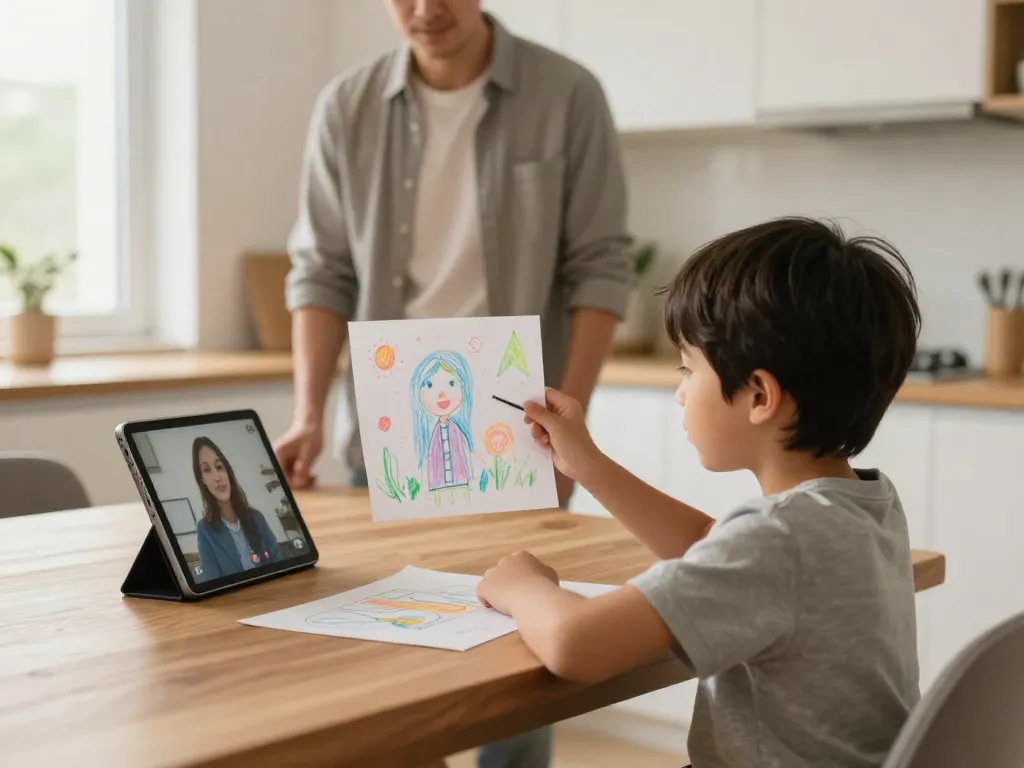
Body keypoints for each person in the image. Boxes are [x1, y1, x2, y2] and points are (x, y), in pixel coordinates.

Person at [476, 217, 924, 768]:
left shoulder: (777, 541)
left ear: (759, 395)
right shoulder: (863, 505)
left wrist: (524, 586)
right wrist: (587, 464)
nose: (680, 395)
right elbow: (707, 543)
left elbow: (576, 644)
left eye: (689, 370)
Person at [274, 0, 632, 510]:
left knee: (523, 590)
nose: (426, 9)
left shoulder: (568, 95)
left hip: (522, 437)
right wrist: (307, 417)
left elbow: (600, 269)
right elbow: (320, 274)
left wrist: (570, 437)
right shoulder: (346, 108)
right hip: (386, 438)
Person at [193, 437, 283, 580]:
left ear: (228, 472)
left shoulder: (256, 517)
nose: (217, 477)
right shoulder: (205, 529)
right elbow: (212, 579)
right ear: (202, 480)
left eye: (219, 467)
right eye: (207, 470)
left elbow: (279, 563)